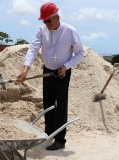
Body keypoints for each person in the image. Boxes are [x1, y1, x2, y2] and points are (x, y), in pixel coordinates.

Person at [17, 2, 84, 150]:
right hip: (47, 71)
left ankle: (60, 140)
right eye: (44, 20)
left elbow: (80, 53)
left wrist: (66, 66)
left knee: (60, 105)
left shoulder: (70, 31)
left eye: (49, 20)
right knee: (48, 104)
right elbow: (33, 49)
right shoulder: (41, 31)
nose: (46, 23)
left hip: (62, 73)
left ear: (57, 17)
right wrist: (25, 69)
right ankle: (48, 133)